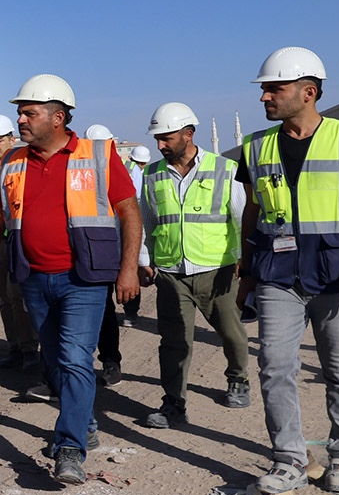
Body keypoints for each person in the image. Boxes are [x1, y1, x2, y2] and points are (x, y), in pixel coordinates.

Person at [236, 47, 339, 495]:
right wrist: (247, 271)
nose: (265, 97)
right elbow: (252, 212)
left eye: (275, 88)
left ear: (308, 92)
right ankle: (289, 457)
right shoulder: (255, 145)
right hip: (277, 274)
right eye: (265, 89)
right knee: (273, 366)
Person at [0, 75, 141, 485]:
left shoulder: (97, 154)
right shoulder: (12, 160)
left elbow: (129, 209)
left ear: (59, 117)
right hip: (33, 278)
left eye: (29, 113)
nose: (21, 120)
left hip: (83, 279)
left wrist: (129, 267)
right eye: (20, 113)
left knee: (75, 358)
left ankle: (68, 447)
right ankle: (85, 425)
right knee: (55, 363)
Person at [138, 102, 251, 429]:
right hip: (172, 274)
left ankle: (238, 378)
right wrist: (145, 261)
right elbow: (147, 221)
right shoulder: (151, 173)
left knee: (232, 334)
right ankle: (173, 403)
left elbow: (243, 219)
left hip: (218, 271)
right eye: (157, 138)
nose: (160, 145)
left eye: (166, 137)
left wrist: (245, 261)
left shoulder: (224, 168)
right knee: (173, 341)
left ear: (189, 134)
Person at [0, 114, 40, 374]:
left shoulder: (23, 164)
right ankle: (14, 347)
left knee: (18, 297)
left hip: (18, 240)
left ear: (11, 139)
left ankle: (30, 350)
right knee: (4, 298)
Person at [84, 123, 126, 388]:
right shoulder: (80, 172)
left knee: (105, 310)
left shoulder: (122, 172)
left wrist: (130, 262)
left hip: (109, 253)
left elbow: (132, 218)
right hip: (84, 253)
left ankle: (111, 361)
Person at [121, 145, 151, 328]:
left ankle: (129, 312)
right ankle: (130, 313)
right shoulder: (136, 172)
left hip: (120, 224)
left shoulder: (125, 166)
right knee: (132, 268)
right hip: (130, 222)